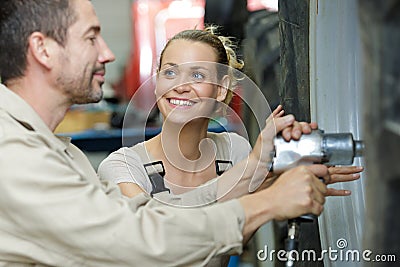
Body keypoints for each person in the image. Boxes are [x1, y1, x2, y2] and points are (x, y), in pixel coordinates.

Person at [0, 0, 342, 266]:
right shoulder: (13, 153)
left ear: (222, 88)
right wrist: (265, 199)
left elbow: (148, 219)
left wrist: (263, 174)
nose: (108, 53)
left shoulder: (57, 152)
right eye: (91, 37)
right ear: (42, 50)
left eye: (197, 75)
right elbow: (139, 240)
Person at [98, 27, 362, 202]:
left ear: (222, 89)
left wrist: (289, 163)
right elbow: (158, 233)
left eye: (197, 75)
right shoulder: (122, 167)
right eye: (170, 72)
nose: (180, 85)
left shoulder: (234, 152)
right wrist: (256, 168)